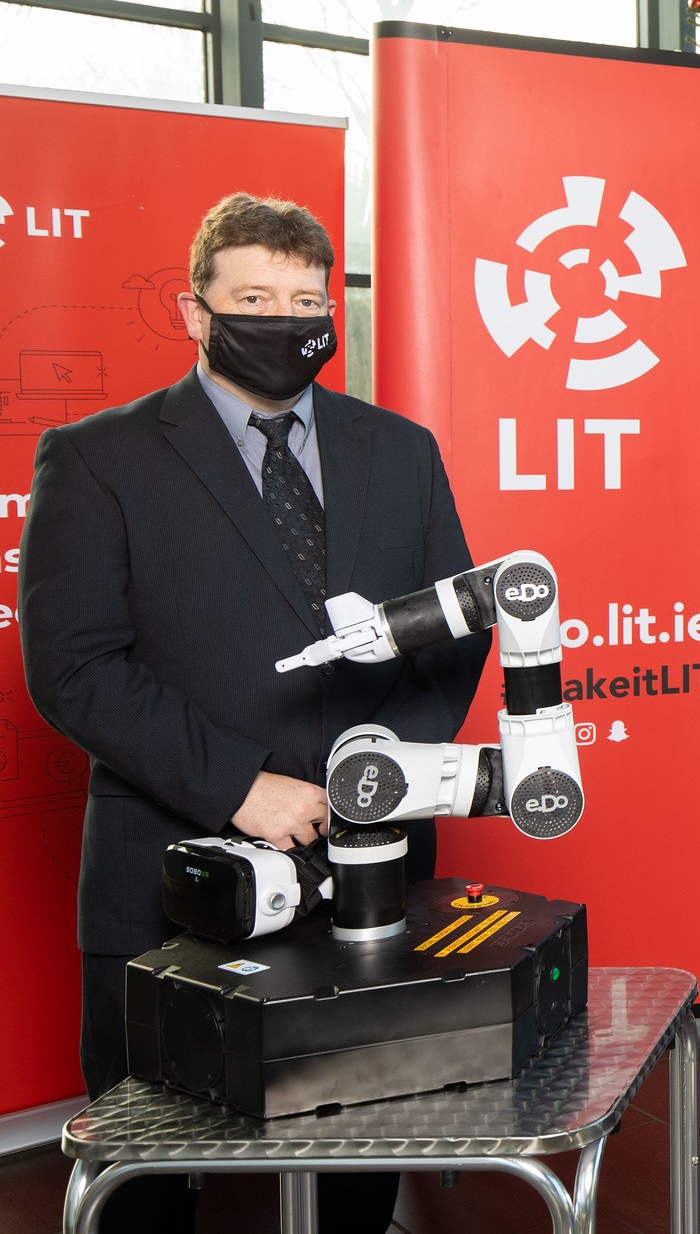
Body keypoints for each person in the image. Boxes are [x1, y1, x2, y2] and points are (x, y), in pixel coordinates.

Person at [19, 194, 488, 1234]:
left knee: (362, 1144)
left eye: (305, 301)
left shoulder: (399, 450)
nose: (284, 322)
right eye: (254, 299)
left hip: (372, 869)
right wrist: (237, 783)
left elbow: (455, 627)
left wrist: (387, 771)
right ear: (197, 311)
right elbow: (73, 667)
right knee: (150, 1172)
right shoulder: (98, 458)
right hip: (171, 874)